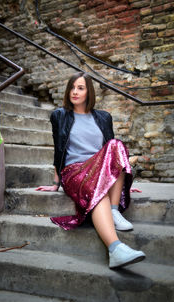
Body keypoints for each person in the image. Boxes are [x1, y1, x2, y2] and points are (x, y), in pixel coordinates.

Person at [36, 72, 145, 269]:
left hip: (99, 169)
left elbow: (113, 156)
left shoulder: (104, 117)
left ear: (89, 92)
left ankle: (113, 211)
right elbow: (58, 149)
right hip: (74, 172)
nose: (74, 92)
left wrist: (123, 187)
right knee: (98, 191)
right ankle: (116, 249)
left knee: (115, 144)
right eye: (72, 87)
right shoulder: (59, 116)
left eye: (80, 88)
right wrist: (55, 183)